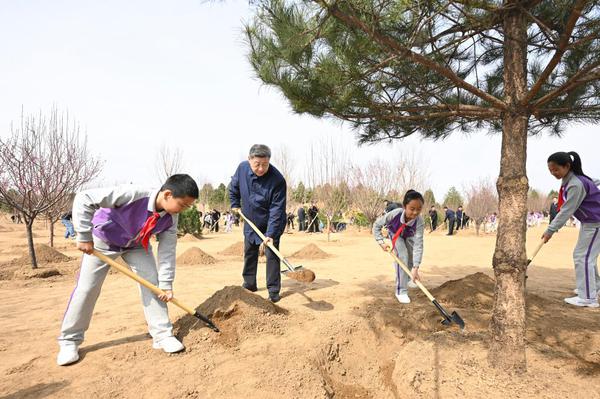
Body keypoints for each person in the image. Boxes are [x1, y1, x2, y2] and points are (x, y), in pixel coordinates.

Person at [56, 174, 199, 366]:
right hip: (103, 240)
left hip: (137, 245)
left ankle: (162, 335)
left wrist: (166, 284)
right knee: (87, 288)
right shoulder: (133, 194)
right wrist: (83, 235)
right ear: (167, 194)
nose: (183, 210)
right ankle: (69, 341)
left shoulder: (171, 218)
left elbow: (167, 251)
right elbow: (85, 198)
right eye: (183, 205)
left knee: (153, 286)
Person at [229, 144, 287, 303]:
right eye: (257, 164)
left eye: (265, 164)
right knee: (249, 252)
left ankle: (273, 291)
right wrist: (234, 203)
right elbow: (233, 187)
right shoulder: (242, 169)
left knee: (272, 255)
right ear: (249, 160)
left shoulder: (277, 180)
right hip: (250, 220)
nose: (261, 168)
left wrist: (271, 234)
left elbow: (277, 209)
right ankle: (249, 284)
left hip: (271, 221)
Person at [543, 151, 600, 308]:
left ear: (567, 166)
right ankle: (593, 287)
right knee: (585, 255)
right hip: (589, 223)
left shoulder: (575, 183)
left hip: (596, 223)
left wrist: (550, 230)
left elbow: (567, 210)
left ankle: (588, 297)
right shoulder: (572, 180)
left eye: (556, 170)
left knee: (583, 257)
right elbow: (595, 181)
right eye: (551, 170)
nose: (554, 173)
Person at [373, 190, 425, 304]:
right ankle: (401, 291)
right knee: (402, 256)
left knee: (411, 257)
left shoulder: (419, 221)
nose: (415, 212)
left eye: (419, 209)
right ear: (405, 206)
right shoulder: (395, 213)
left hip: (409, 235)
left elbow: (418, 245)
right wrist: (381, 241)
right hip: (395, 233)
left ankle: (408, 278)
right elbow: (376, 225)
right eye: (412, 209)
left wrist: (416, 268)